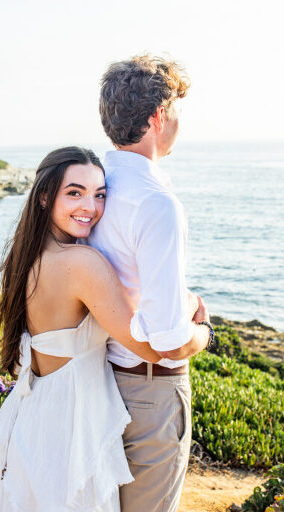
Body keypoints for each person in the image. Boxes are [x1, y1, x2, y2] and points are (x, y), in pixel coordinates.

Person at [0, 146, 205, 511]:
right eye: (75, 192)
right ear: (44, 196)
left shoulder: (28, 256)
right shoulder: (81, 263)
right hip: (71, 425)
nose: (90, 207)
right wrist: (202, 327)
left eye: (99, 195)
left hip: (37, 415)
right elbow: (152, 349)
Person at [89, 54, 213, 512]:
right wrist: (204, 329)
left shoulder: (91, 188)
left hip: (98, 380)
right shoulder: (156, 202)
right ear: (159, 116)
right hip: (149, 390)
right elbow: (168, 340)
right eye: (177, 109)